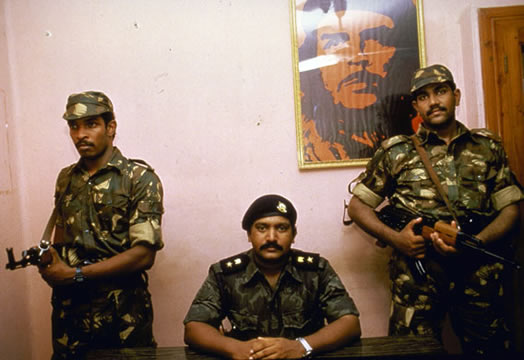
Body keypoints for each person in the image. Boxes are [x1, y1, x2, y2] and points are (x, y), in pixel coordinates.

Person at [347, 64, 524, 354]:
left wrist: (477, 243)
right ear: (416, 105)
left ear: (456, 95)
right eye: (424, 96)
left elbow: (510, 210)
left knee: (491, 350)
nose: (433, 102)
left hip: (478, 273)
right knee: (412, 351)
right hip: (418, 278)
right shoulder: (396, 151)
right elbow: (357, 207)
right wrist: (397, 239)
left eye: (440, 91)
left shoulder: (487, 147)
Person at [38, 91, 164, 360]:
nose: (80, 134)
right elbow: (61, 238)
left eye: (91, 124)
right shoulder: (66, 178)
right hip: (70, 316)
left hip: (122, 317)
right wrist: (50, 262)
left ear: (111, 127)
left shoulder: (139, 178)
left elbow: (144, 255)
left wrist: (75, 274)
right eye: (74, 126)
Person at [184, 194, 361, 359]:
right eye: (262, 228)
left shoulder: (315, 271)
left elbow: (349, 323)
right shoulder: (225, 274)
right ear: (249, 235)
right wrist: (235, 348)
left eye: (281, 228)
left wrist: (300, 347)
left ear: (293, 235)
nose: (271, 237)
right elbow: (194, 327)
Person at [297, 0, 419, 161]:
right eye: (334, 43)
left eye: (376, 40)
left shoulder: (423, 148)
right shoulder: (310, 150)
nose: (356, 57)